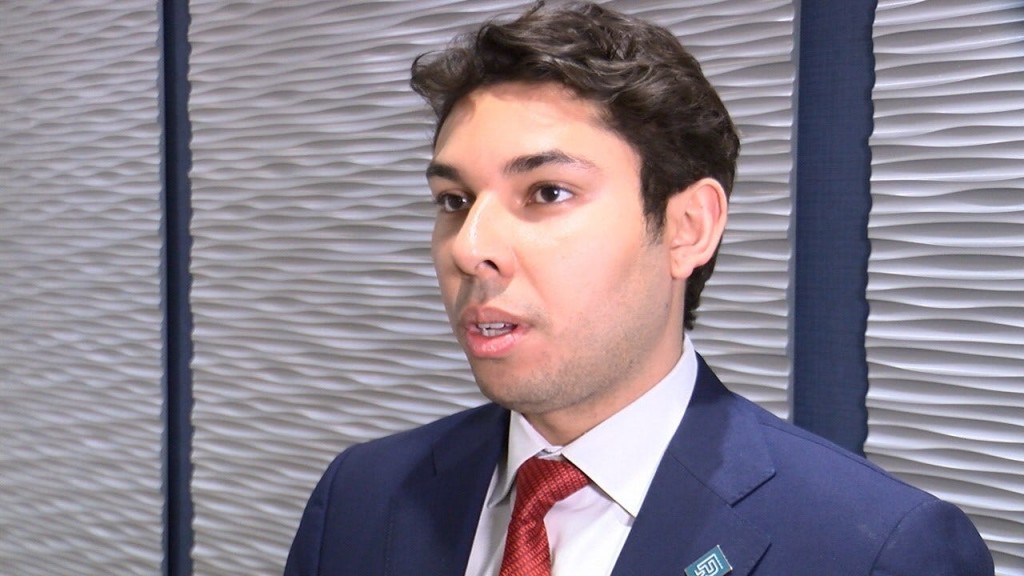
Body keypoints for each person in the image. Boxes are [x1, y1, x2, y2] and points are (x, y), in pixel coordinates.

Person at [284, 2, 993, 575]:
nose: (470, 248)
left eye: (547, 192)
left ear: (687, 228)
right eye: (454, 200)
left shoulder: (873, 549)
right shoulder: (363, 495)